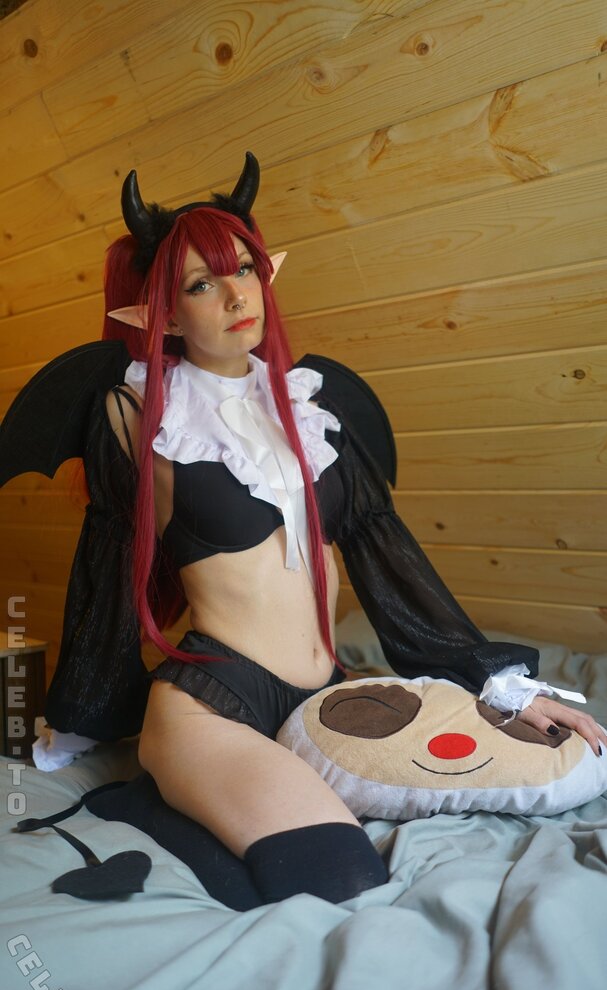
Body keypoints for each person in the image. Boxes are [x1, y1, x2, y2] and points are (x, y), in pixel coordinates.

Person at [17, 153, 606, 909]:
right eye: (201, 284)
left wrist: (497, 682)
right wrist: (80, 710)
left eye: (244, 270)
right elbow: (106, 564)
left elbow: (387, 556)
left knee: (549, 758)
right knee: (342, 876)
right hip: (214, 699)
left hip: (323, 693)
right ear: (161, 314)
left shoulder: (312, 403)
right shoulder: (135, 413)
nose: (236, 295)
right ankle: (163, 806)